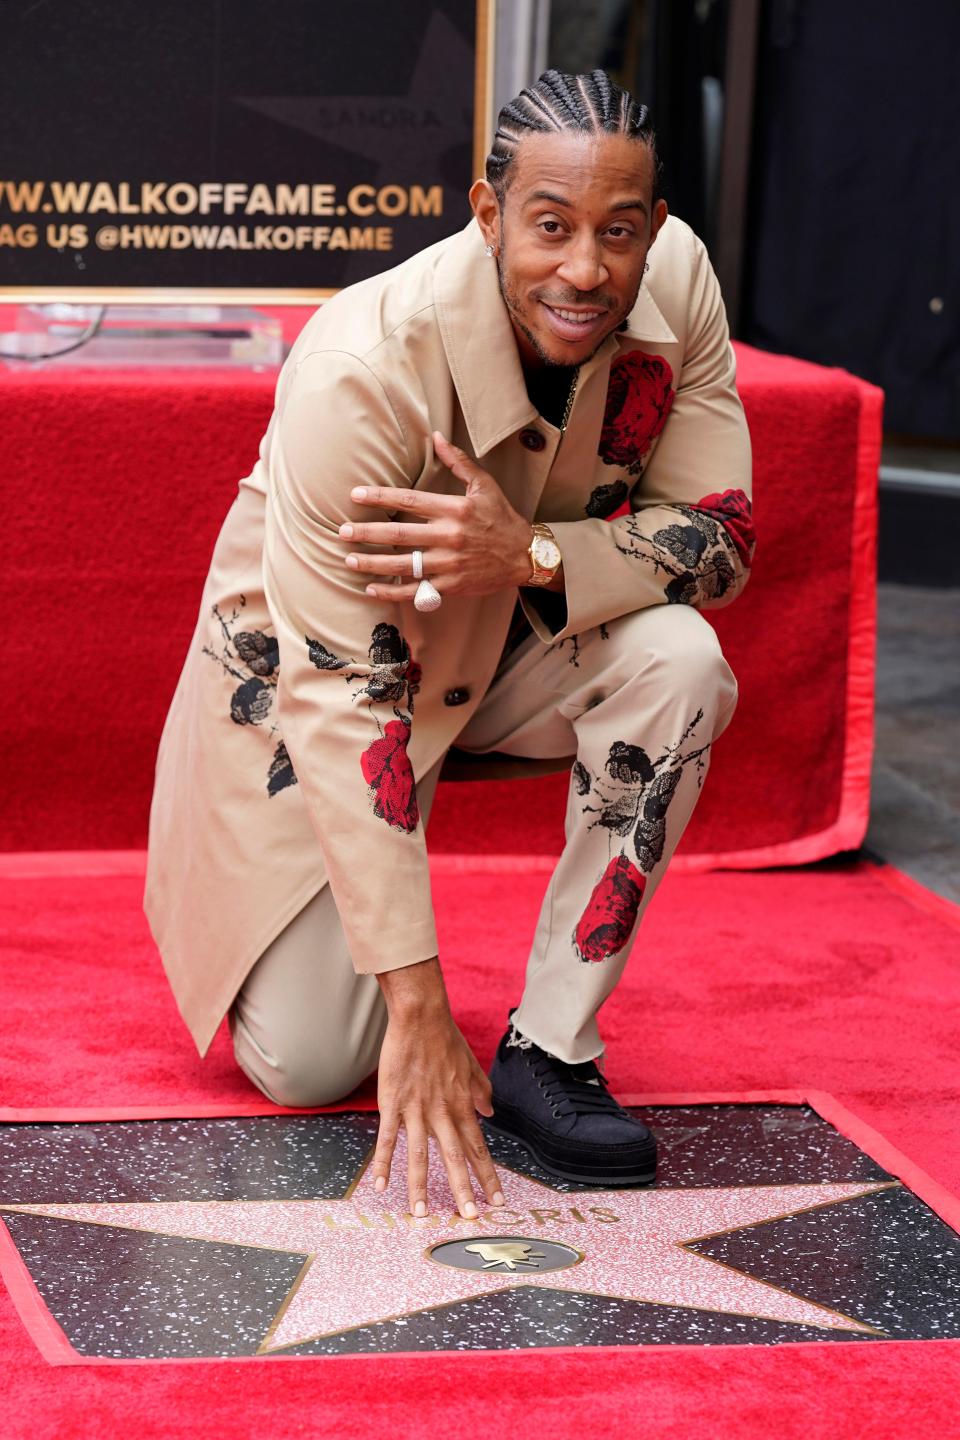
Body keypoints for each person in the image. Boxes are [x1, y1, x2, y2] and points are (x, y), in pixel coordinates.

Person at [144, 69, 754, 1222]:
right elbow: (338, 692)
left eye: (617, 232)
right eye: (550, 227)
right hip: (316, 689)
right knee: (311, 1065)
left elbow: (720, 542)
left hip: (517, 642)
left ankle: (550, 1047)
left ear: (656, 229)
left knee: (680, 663)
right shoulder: (360, 367)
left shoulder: (680, 288)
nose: (585, 268)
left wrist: (528, 556)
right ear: (486, 214)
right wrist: (419, 1012)